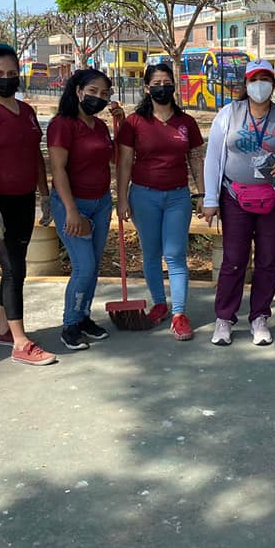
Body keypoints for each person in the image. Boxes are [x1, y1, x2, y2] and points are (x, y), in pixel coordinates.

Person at [201, 59, 275, 347]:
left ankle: (260, 317)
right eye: (254, 79)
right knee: (234, 259)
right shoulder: (228, 114)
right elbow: (213, 158)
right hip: (235, 197)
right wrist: (211, 198)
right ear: (245, 84)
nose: (260, 85)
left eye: (265, 79)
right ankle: (224, 318)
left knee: (268, 260)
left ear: (274, 84)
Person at [0, 43, 56, 366]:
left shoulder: (27, 112)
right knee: (13, 269)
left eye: (12, 73)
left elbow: (35, 156)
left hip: (23, 200)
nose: (6, 78)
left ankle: (4, 329)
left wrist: (44, 194)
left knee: (15, 267)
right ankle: (20, 342)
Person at [117, 62, 205, 341]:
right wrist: (121, 198)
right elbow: (124, 162)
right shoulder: (134, 122)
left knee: (175, 254)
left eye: (167, 83)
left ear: (174, 86)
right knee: (151, 253)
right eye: (156, 83)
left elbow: (196, 159)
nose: (162, 88)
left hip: (178, 196)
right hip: (143, 196)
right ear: (146, 88)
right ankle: (159, 304)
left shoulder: (186, 122)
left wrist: (202, 194)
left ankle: (179, 314)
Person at [48, 68, 124, 351]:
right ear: (78, 91)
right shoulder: (62, 125)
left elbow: (115, 158)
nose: (98, 98)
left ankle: (83, 317)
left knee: (93, 266)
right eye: (92, 91)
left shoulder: (100, 127)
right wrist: (71, 210)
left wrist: (121, 123)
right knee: (84, 266)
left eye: (104, 93)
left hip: (100, 203)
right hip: (72, 203)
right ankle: (70, 324)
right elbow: (58, 169)